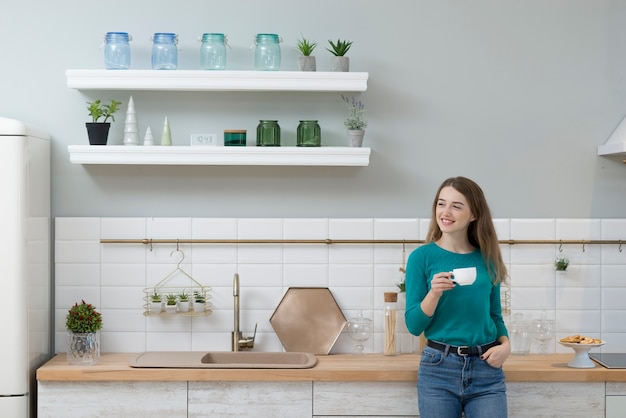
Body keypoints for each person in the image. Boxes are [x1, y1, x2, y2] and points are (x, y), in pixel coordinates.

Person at [404, 176, 510, 418]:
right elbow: (413, 325)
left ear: (473, 215)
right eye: (441, 204)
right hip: (438, 368)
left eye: (456, 205)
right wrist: (434, 293)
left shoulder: (488, 258)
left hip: (487, 370)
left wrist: (506, 345)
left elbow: (494, 315)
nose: (446, 212)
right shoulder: (421, 258)